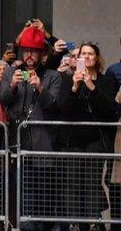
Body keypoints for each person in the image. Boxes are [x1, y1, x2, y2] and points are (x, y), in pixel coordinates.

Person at [0, 34, 61, 231]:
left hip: (42, 144)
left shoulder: (52, 76)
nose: (29, 55)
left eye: (33, 51)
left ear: (42, 54)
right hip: (18, 142)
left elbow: (54, 107)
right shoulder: (10, 72)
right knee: (21, 196)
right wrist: (13, 86)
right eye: (26, 51)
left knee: (43, 197)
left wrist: (40, 87)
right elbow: (3, 100)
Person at [58, 42, 117, 227]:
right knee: (72, 185)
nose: (87, 57)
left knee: (92, 185)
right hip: (73, 141)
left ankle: (92, 223)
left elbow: (109, 110)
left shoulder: (106, 80)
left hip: (95, 140)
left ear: (97, 58)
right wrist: (75, 87)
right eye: (83, 53)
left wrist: (91, 86)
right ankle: (74, 224)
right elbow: (63, 109)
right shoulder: (68, 80)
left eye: (91, 54)